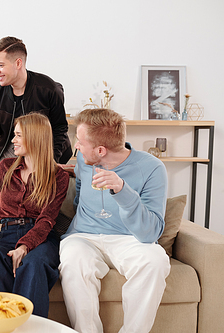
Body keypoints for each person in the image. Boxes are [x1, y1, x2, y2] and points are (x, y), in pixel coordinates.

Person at [59, 108, 170, 333]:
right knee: (73, 260)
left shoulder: (152, 168)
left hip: (128, 238)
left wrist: (122, 190)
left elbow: (151, 232)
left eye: (79, 141)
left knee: (155, 260)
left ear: (101, 150)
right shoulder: (83, 158)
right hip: (84, 236)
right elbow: (80, 186)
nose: (76, 147)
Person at [0, 113, 69, 317]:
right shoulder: (6, 167)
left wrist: (25, 246)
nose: (13, 140)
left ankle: (31, 328)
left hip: (42, 239)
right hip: (7, 234)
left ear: (35, 137)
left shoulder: (58, 176)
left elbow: (47, 219)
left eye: (18, 135)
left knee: (33, 262)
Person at [0, 36, 72, 165]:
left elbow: (59, 130)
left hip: (44, 153)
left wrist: (50, 163)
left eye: (1, 65)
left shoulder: (49, 89)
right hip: (10, 151)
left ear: (18, 63)